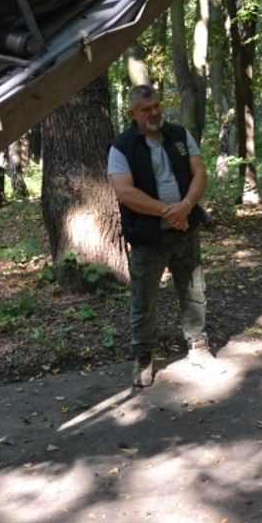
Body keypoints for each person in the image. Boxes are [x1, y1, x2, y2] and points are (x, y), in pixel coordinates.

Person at [107, 84, 211, 388]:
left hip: (186, 230)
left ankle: (199, 346)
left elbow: (200, 174)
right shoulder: (122, 147)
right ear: (132, 113)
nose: (153, 113)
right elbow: (125, 193)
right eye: (145, 109)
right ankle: (143, 356)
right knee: (144, 299)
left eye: (156, 106)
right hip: (148, 236)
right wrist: (171, 211)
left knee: (193, 290)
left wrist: (187, 207)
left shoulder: (179, 135)